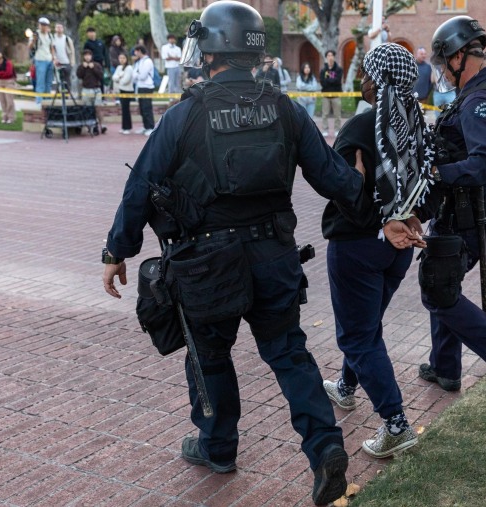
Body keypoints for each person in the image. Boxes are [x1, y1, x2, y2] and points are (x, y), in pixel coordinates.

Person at [101, 2, 367, 504]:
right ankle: (326, 447)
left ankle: (217, 446)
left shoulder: (186, 114)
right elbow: (334, 177)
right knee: (289, 354)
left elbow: (141, 185)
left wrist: (117, 249)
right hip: (275, 255)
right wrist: (378, 205)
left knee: (210, 355)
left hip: (207, 265)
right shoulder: (286, 109)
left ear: (209, 50)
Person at [402, 15, 486, 403]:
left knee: (438, 288)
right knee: (442, 279)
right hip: (460, 208)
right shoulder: (475, 92)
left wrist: (435, 171)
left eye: (445, 63)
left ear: (462, 55)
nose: (443, 71)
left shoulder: (481, 99)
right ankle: (446, 368)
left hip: (470, 212)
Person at [321, 42, 434, 459]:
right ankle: (347, 387)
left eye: (367, 72)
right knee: (366, 326)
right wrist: (408, 216)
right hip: (399, 247)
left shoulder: (360, 128)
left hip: (358, 245)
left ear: (375, 80)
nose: (362, 79)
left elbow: (341, 189)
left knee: (357, 334)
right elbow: (429, 184)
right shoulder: (418, 125)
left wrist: (381, 219)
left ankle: (396, 423)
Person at [76, 48, 107, 135]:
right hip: (86, 90)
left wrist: (93, 68)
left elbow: (101, 76)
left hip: (96, 89)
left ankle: (102, 125)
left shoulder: (96, 65)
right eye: (86, 55)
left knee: (98, 107)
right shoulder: (81, 66)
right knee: (88, 109)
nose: (87, 57)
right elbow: (79, 75)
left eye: (89, 55)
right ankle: (92, 125)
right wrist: (83, 67)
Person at [30, 17, 56, 104]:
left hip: (49, 60)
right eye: (42, 25)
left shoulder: (50, 35)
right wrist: (34, 40)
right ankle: (39, 102)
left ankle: (47, 101)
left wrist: (53, 57)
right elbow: (30, 47)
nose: (43, 27)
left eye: (45, 25)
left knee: (48, 82)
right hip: (40, 60)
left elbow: (52, 47)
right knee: (40, 82)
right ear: (39, 25)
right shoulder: (35, 34)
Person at [132, 45, 155, 136]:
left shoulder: (148, 61)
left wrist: (137, 74)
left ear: (140, 51)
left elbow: (142, 76)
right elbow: (134, 75)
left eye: (136, 51)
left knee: (147, 108)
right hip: (140, 86)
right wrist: (137, 74)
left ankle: (150, 127)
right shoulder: (139, 62)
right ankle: (145, 126)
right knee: (141, 108)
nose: (135, 53)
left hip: (147, 87)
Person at [320, 49, 343, 136]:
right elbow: (322, 82)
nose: (330, 57)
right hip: (325, 94)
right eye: (328, 56)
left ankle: (337, 129)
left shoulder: (338, 69)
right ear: (326, 57)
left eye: (331, 55)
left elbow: (338, 81)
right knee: (325, 114)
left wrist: (328, 80)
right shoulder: (323, 70)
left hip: (336, 94)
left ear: (334, 57)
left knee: (337, 114)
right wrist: (331, 80)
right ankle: (325, 129)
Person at [0, 49, 16, 124]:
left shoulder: (8, 63)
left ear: (2, 53)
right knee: (2, 100)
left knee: (9, 101)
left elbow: (8, 73)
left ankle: (11, 117)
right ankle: (4, 117)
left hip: (8, 82)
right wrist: (1, 73)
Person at [112, 53, 134, 134]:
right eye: (120, 58)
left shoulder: (129, 68)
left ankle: (127, 127)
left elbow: (126, 81)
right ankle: (123, 127)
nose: (121, 59)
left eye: (123, 58)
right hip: (120, 90)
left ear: (126, 59)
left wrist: (119, 78)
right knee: (123, 109)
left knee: (126, 109)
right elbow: (114, 77)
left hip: (127, 90)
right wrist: (120, 76)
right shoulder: (119, 67)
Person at [84, 27, 109, 92]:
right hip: (92, 63)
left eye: (92, 32)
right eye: (90, 33)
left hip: (100, 63)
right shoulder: (87, 44)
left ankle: (102, 96)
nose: (91, 34)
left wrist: (107, 64)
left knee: (101, 79)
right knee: (93, 79)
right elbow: (85, 54)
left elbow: (105, 53)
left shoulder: (100, 42)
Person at [52, 23, 75, 92]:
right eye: (57, 27)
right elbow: (52, 50)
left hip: (67, 62)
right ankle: (59, 95)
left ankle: (68, 95)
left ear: (63, 29)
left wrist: (72, 62)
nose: (59, 29)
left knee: (67, 80)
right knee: (58, 80)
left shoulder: (67, 39)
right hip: (57, 63)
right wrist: (54, 59)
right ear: (55, 29)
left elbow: (72, 51)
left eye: (60, 27)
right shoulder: (53, 38)